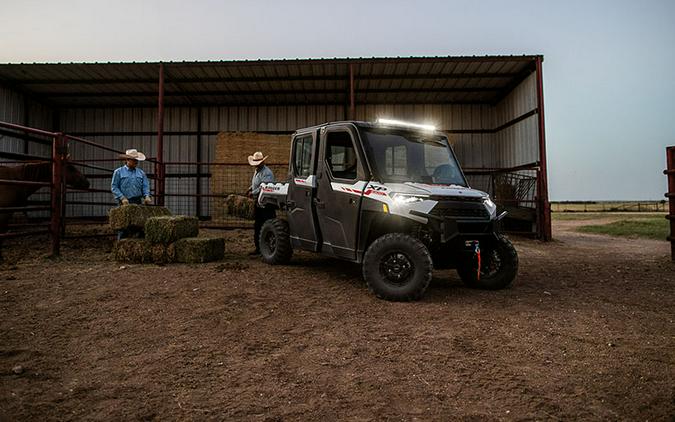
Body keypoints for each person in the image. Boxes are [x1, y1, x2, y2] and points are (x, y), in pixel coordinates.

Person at [111, 149, 152, 239]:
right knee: (123, 225)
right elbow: (114, 187)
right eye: (134, 160)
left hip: (137, 201)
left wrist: (146, 196)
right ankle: (121, 245)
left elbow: (145, 186)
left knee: (139, 224)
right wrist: (122, 198)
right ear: (127, 160)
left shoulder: (141, 173)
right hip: (123, 202)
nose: (136, 162)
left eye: (136, 160)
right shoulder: (118, 172)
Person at [246, 151, 275, 255]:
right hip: (259, 202)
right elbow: (257, 184)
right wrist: (250, 188)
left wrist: (252, 192)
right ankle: (259, 248)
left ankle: (269, 249)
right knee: (258, 225)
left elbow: (264, 187)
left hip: (266, 203)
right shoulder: (257, 170)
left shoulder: (267, 173)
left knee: (267, 225)